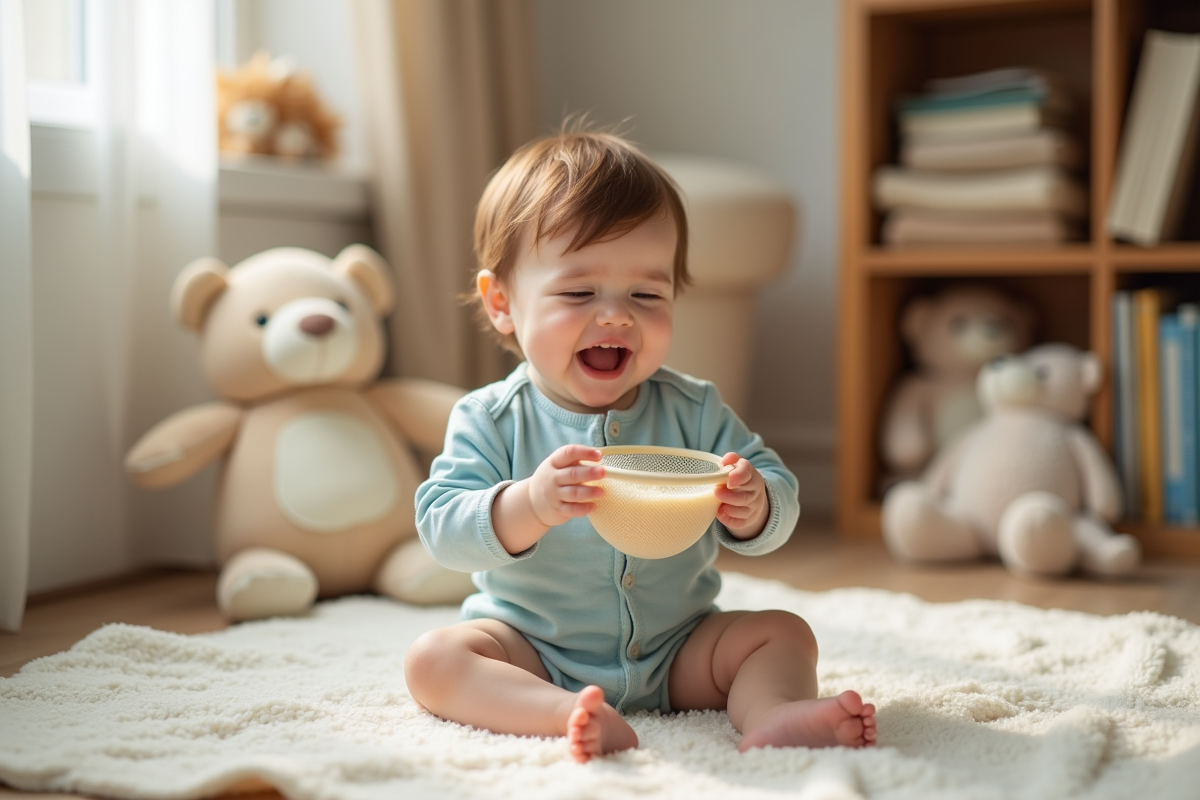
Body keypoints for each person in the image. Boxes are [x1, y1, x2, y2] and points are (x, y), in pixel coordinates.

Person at [409, 129, 876, 762]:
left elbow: (776, 488)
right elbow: (441, 526)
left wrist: (756, 503)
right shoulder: (492, 417)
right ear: (502, 304)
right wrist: (529, 504)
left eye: (647, 294)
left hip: (680, 650)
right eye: (578, 292)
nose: (616, 315)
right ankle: (563, 713)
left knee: (782, 632)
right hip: (533, 649)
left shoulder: (694, 407)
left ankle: (774, 714)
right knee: (434, 660)